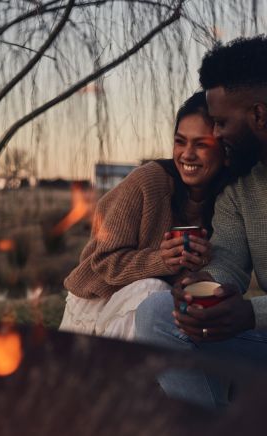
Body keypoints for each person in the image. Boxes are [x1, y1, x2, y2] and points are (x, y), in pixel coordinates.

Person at [135, 35, 267, 410]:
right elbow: (226, 260)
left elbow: (252, 314)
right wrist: (202, 287)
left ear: (259, 114)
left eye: (221, 122)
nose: (217, 133)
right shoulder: (241, 187)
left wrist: (252, 313)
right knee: (157, 314)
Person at [59, 91, 231, 340]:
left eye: (201, 144)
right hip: (96, 303)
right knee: (154, 292)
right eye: (180, 141)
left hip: (153, 309)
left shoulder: (229, 199)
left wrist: (202, 264)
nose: (187, 154)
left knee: (162, 303)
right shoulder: (148, 181)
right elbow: (103, 262)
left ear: (224, 151)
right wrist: (161, 260)